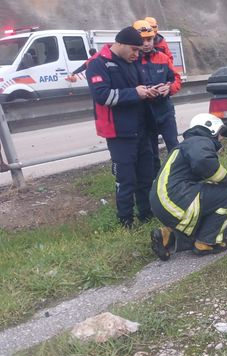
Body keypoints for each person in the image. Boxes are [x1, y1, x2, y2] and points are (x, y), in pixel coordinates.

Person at [86, 26, 158, 228]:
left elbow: (138, 90)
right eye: (134, 49)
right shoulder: (98, 64)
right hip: (119, 133)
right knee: (126, 180)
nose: (137, 54)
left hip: (142, 128)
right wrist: (136, 93)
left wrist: (150, 91)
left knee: (146, 175)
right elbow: (103, 96)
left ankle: (146, 214)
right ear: (120, 44)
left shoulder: (132, 62)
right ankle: (125, 220)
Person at [149, 114, 227, 261]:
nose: (221, 138)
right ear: (211, 130)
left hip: (163, 202)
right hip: (175, 200)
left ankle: (167, 236)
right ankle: (207, 243)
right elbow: (203, 161)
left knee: (210, 196)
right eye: (220, 133)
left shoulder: (189, 143)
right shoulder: (200, 141)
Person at [133, 19, 181, 175]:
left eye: (149, 39)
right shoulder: (131, 61)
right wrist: (146, 91)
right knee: (151, 152)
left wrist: (169, 88)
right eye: (143, 40)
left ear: (154, 38)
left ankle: (177, 177)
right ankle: (155, 180)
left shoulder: (163, 58)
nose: (146, 43)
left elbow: (176, 79)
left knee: (174, 147)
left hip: (165, 111)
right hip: (145, 113)